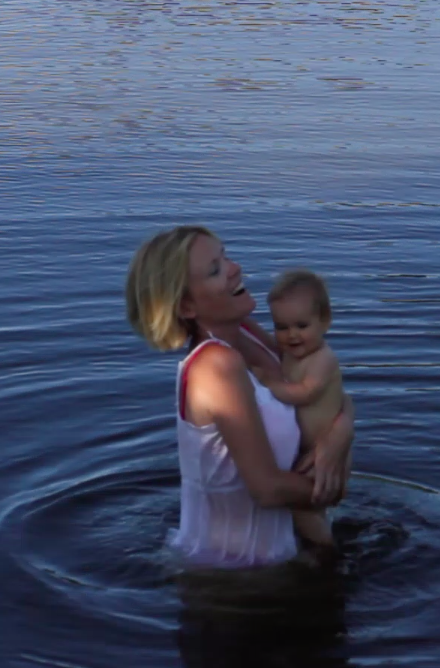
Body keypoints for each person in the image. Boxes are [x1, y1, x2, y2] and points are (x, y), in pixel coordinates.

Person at [125, 225, 354, 569]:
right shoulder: (215, 366)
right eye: (215, 270)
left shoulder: (248, 333)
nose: (235, 268)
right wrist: (334, 489)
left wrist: (339, 436)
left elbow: (325, 392)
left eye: (226, 256)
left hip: (283, 556)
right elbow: (267, 489)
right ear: (187, 306)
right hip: (234, 575)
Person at [252, 270, 348, 549]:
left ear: (325, 321)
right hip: (305, 455)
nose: (291, 335)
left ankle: (326, 552)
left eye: (301, 325)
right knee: (305, 511)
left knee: (303, 511)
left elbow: (305, 393)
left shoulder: (322, 359)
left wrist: (268, 383)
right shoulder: (290, 354)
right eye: (281, 327)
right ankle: (311, 545)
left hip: (321, 457)